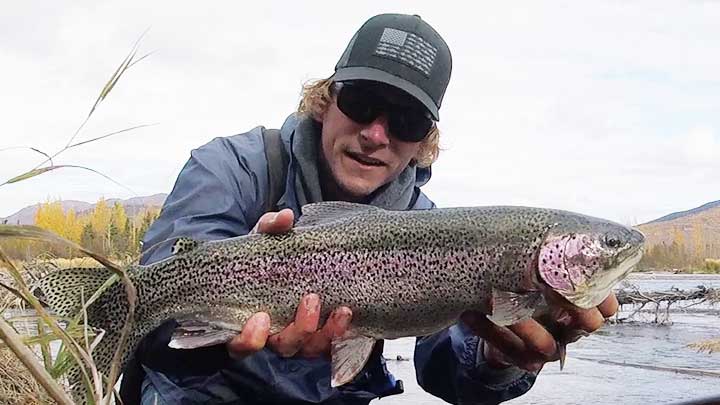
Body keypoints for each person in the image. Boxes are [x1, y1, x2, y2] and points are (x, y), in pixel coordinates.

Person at [120, 13, 619, 405]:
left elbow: (447, 369)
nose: (376, 134)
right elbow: (160, 277)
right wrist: (242, 270)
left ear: (425, 140)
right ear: (325, 99)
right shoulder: (232, 166)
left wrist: (499, 357)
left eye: (405, 119)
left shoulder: (432, 225)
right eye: (361, 102)